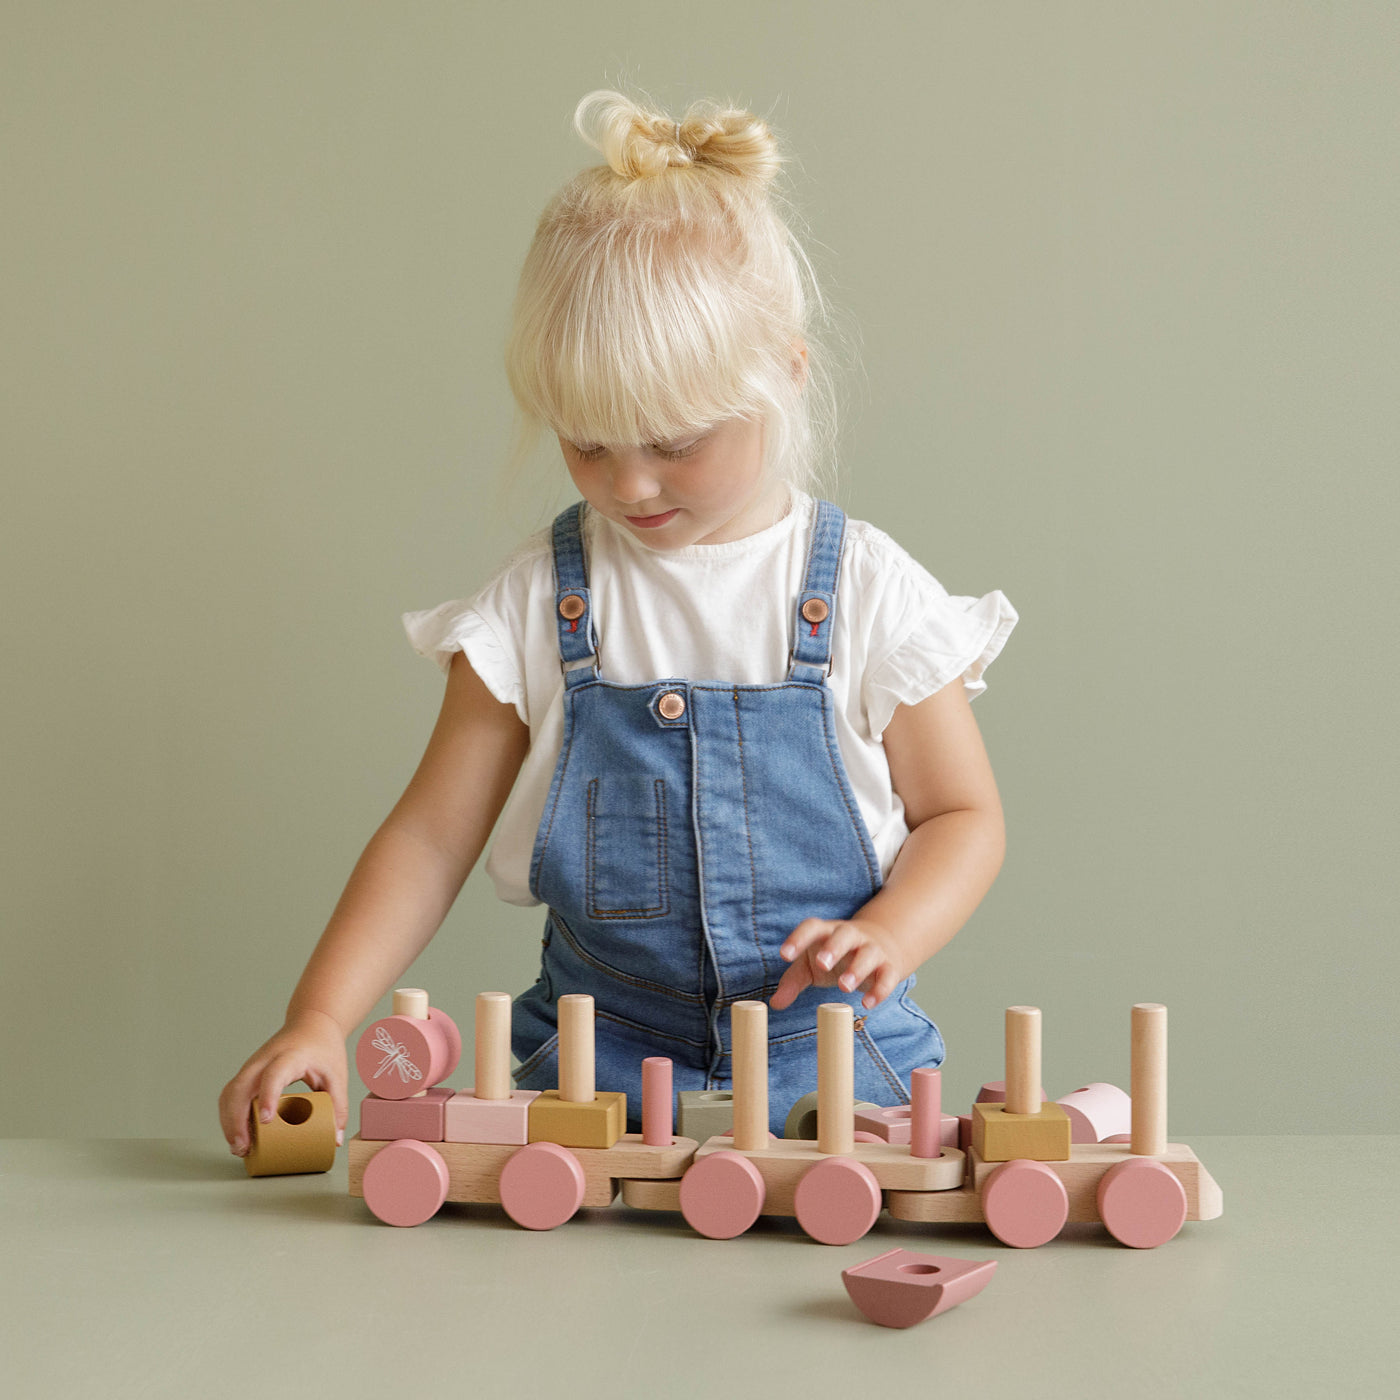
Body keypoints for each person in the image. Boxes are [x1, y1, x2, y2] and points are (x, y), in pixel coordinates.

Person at [219, 89, 1017, 1153]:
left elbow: (963, 816)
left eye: (674, 440)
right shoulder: (537, 603)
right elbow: (427, 834)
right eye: (586, 442)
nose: (630, 481)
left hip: (829, 1061)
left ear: (783, 373)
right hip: (591, 1071)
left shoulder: (867, 589)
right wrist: (319, 1013)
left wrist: (890, 928)